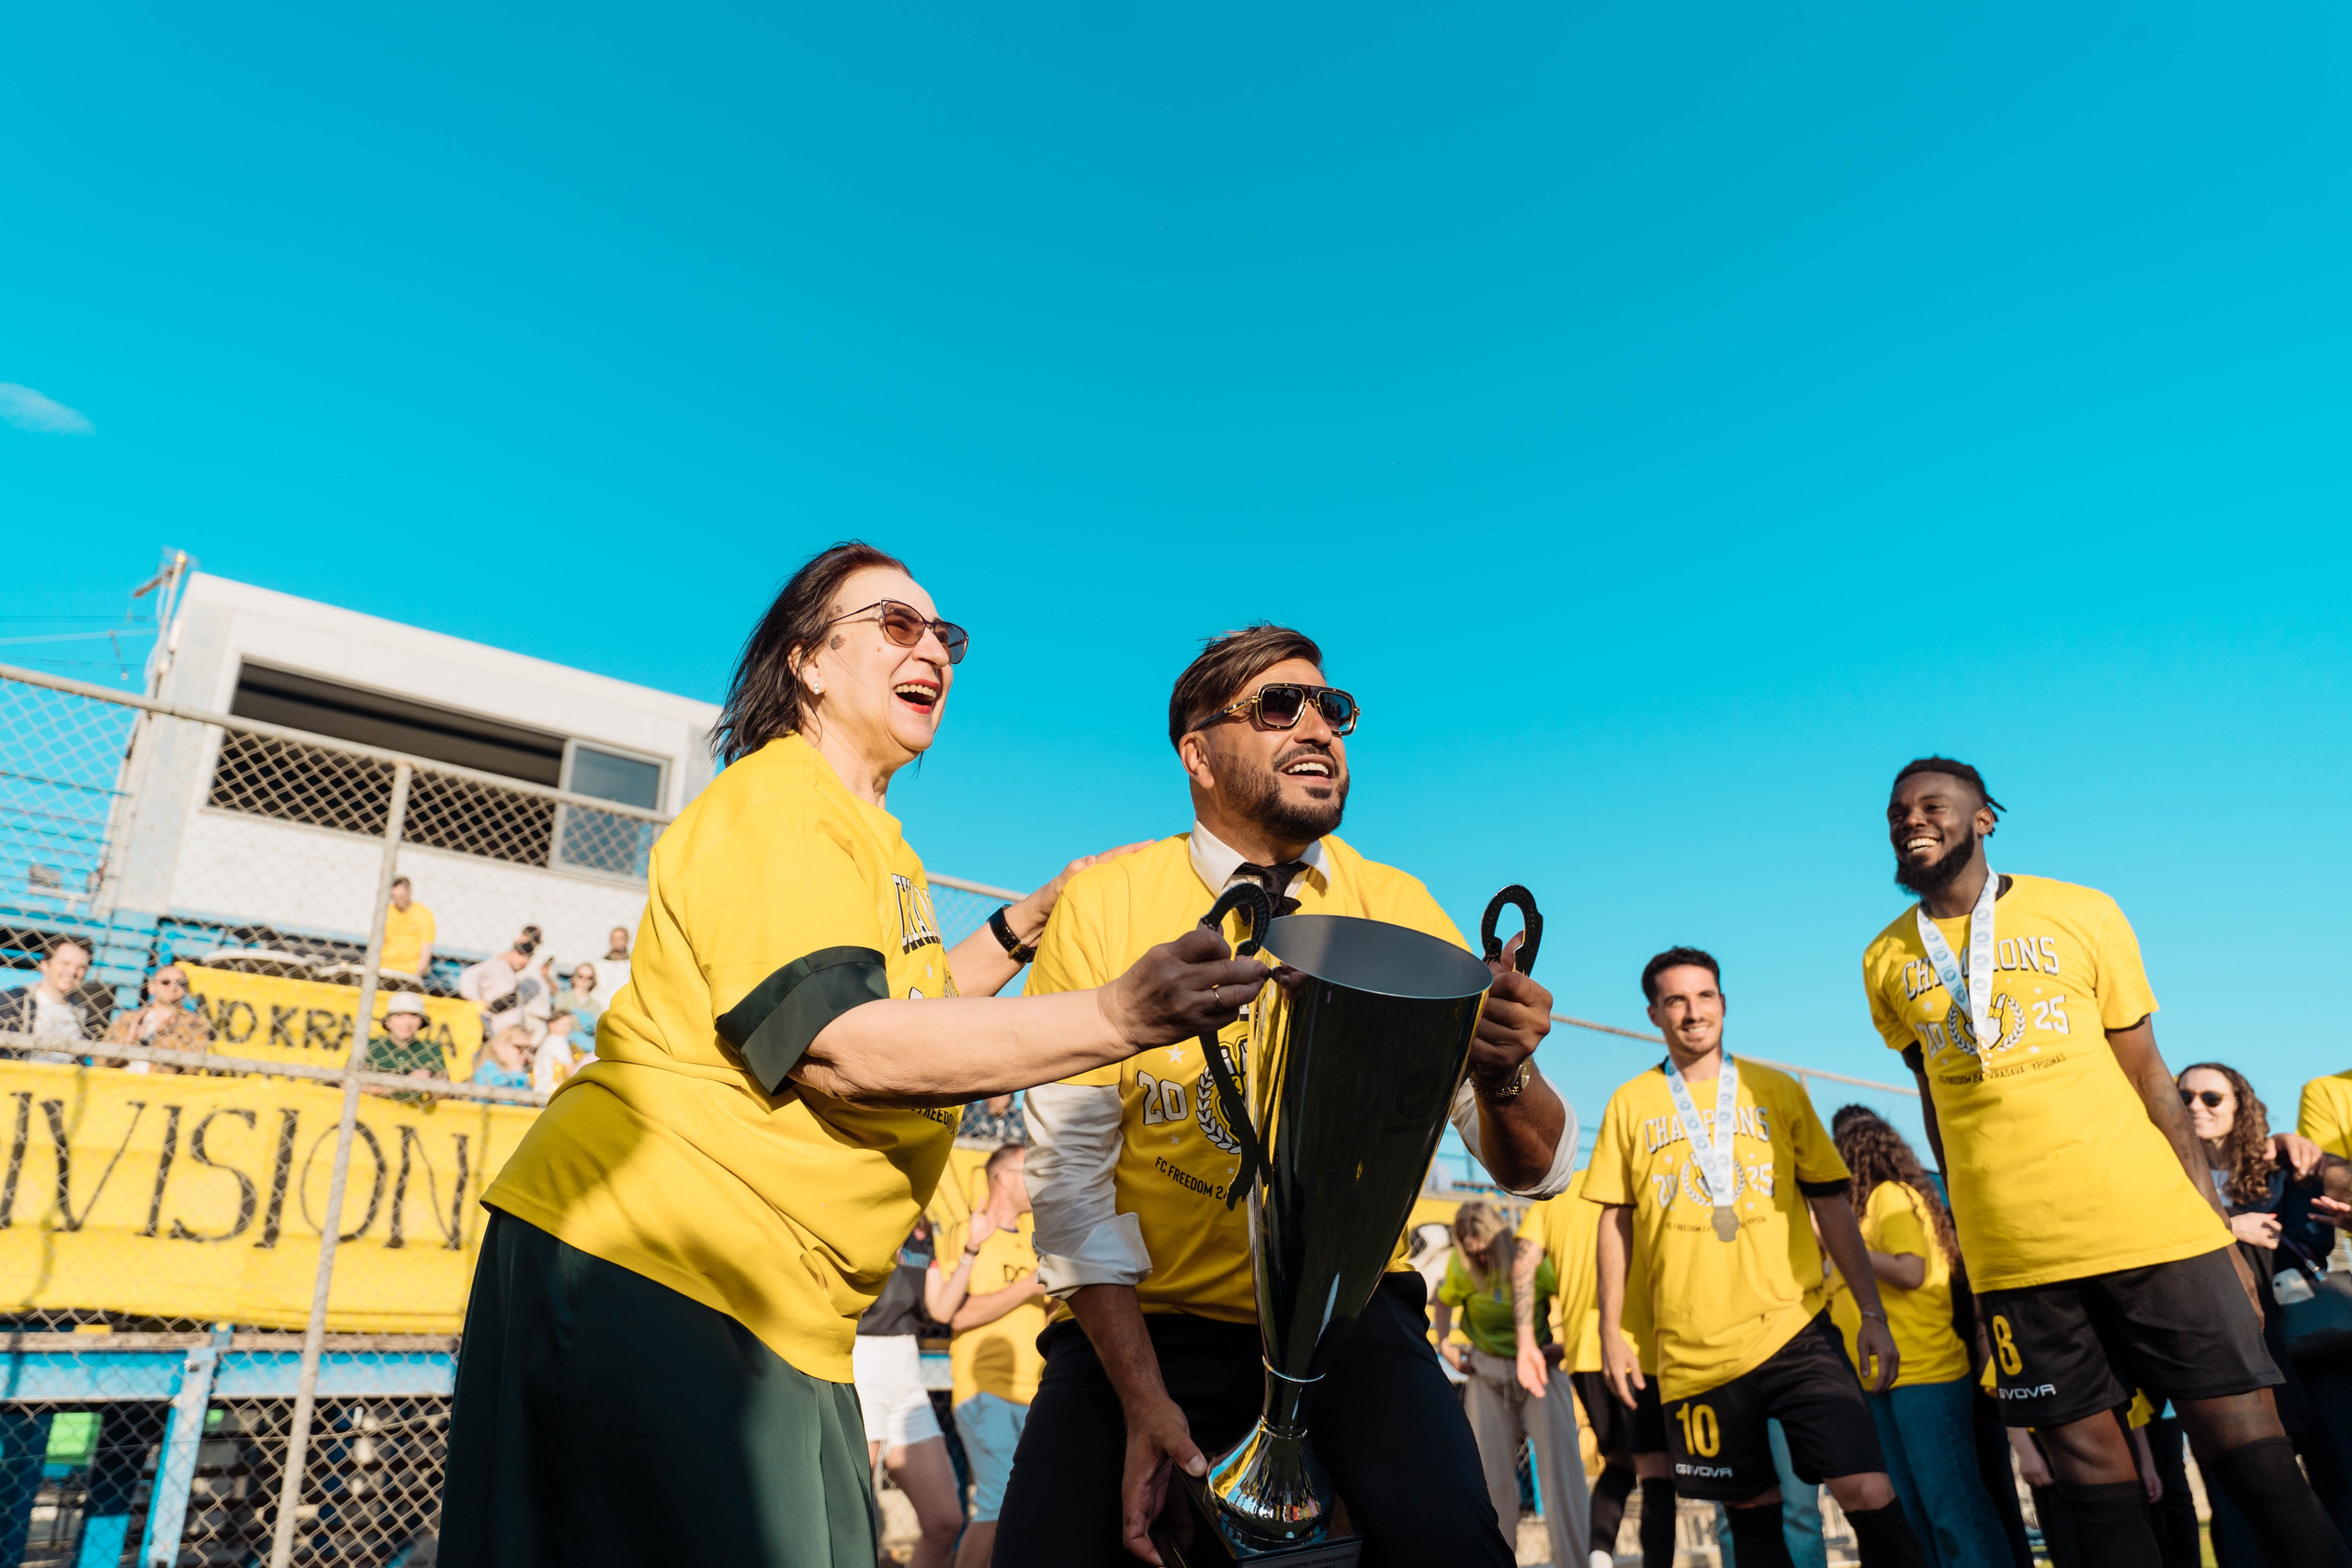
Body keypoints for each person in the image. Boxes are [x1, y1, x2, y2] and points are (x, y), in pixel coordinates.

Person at [438, 543, 1265, 1568]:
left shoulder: (880, 844)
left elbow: (907, 1011)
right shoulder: (778, 802)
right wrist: (1120, 1013)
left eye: (944, 635)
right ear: (807, 663)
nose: (933, 649)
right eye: (896, 624)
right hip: (661, 1264)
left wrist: (1023, 925)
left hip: (782, 1300)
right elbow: (838, 1046)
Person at [994, 624, 1577, 1568]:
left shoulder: (1398, 903)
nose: (1318, 727)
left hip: (1355, 1324)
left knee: (1455, 1546)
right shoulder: (1107, 902)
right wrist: (1144, 1403)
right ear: (1197, 754)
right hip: (1151, 1328)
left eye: (1331, 708)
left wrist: (1504, 1070)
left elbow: (1536, 1173)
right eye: (1278, 707)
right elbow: (1068, 1186)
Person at [1865, 755, 2349, 1568]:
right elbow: (1936, 1106)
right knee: (2094, 1487)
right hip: (2017, 1257)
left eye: (1933, 805)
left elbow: (2151, 1078)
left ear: (1984, 818)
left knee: (2253, 1458)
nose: (1912, 820)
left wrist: (2216, 1227)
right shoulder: (1885, 959)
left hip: (2153, 1232)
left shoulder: (2080, 910)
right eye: (1897, 811)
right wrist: (1975, 1254)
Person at [1590, 947, 1928, 1568]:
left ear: (1723, 1002)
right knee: (1751, 1514)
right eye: (1677, 1000)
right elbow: (1615, 1221)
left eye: (1705, 996)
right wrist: (1611, 1328)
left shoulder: (1773, 1088)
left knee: (1868, 1489)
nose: (1694, 1012)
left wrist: (1873, 1312)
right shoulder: (1629, 1104)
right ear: (1654, 1014)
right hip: (1696, 1352)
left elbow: (1832, 1208)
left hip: (1796, 1329)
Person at [2177, 1060, 2352, 1560]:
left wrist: (2314, 1157)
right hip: (2227, 1355)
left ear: (2240, 1104)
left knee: (2340, 1477)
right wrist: (2228, 1228)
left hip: (2312, 1349)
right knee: (2242, 1495)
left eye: (2211, 1097)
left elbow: (2330, 1213)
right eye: (2184, 1097)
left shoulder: (2282, 1168)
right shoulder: (2166, 1180)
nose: (2196, 1106)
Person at [1825, 1106, 2011, 1568]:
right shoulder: (1858, 1213)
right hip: (1878, 1379)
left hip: (1924, 1371)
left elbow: (1911, 1271)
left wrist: (1845, 1249)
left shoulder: (1890, 1196)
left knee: (1952, 1508)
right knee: (1912, 1513)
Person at [1437, 1200, 1589, 1568]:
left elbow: (1572, 1292)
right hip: (1487, 1373)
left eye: (1487, 1250)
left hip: (1538, 1367)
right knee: (1491, 1484)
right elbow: (1442, 1302)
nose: (1482, 1259)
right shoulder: (1461, 1266)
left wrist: (1566, 1345)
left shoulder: (1528, 1257)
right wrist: (1445, 1344)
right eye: (1473, 1254)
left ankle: (1576, 1562)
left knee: (1561, 1478)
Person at [928, 1145, 1048, 1568]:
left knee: (1029, 1511)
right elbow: (955, 1315)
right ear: (1002, 1177)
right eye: (1028, 1169)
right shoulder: (966, 1233)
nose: (1038, 1177)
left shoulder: (1041, 1236)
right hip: (985, 1392)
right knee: (997, 1505)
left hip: (1036, 1394)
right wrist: (1029, 1286)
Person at [855, 1217, 963, 1568]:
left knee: (944, 1521)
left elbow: (941, 1309)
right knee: (850, 1515)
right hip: (861, 1357)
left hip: (906, 1364)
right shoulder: (871, 1212)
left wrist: (971, 1252)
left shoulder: (925, 1233)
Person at [98, 963, 211, 1072]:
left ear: (186, 988)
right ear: (151, 987)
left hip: (163, 1087)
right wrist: (129, 1042)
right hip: (121, 1083)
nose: (173, 986)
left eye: (180, 983)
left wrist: (166, 1038)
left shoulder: (195, 1022)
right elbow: (100, 1061)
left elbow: (194, 1067)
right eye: (165, 982)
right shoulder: (129, 1018)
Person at [0, 935, 96, 1063]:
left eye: (81, 967)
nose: (72, 971)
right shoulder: (11, 1001)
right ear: (45, 965)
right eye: (65, 963)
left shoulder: (83, 1017)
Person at [362, 991, 443, 1100]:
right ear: (388, 1022)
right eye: (399, 1015)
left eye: (414, 1016)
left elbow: (445, 1096)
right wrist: (401, 1086)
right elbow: (347, 1085)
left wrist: (430, 1084)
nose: (408, 1022)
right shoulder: (370, 1045)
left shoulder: (430, 1048)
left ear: (421, 1022)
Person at [456, 941, 529, 1036]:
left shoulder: (510, 972)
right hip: (492, 1028)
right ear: (512, 952)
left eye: (528, 957)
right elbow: (468, 976)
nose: (524, 961)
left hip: (505, 1031)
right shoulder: (495, 965)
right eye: (521, 955)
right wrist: (477, 1000)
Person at [381, 876, 435, 978]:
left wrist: (417, 974)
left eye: (401, 896)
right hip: (385, 968)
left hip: (410, 973)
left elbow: (426, 947)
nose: (397, 901)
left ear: (410, 892)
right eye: (394, 897)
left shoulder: (423, 914)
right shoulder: (386, 912)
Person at [529, 1010, 587, 1093]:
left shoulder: (548, 1041)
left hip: (541, 1091)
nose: (568, 1028)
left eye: (570, 1024)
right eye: (564, 1024)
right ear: (552, 1025)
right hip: (552, 1092)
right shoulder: (557, 1040)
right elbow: (571, 1071)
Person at [473, 1025, 534, 1089]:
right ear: (500, 1046)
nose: (525, 1054)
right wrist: (516, 1069)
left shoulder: (524, 1073)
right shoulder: (486, 1072)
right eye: (519, 1047)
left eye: (528, 1049)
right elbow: (510, 1098)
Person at [592, 926, 632, 1010]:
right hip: (600, 1007)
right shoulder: (598, 965)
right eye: (614, 938)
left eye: (620, 938)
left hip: (623, 1007)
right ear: (610, 942)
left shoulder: (631, 965)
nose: (617, 942)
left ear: (627, 941)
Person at [557, 963, 603, 1037]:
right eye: (580, 976)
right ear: (573, 977)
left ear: (593, 981)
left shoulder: (596, 1005)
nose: (584, 979)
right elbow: (560, 1021)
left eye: (589, 977)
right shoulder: (562, 996)